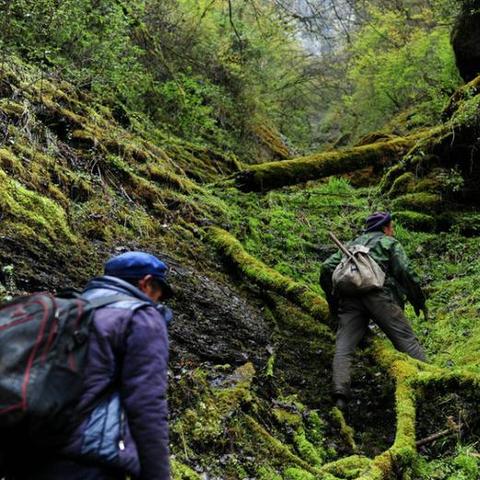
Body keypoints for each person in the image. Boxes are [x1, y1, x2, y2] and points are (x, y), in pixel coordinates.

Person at [3, 251, 173, 480]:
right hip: (87, 461)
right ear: (146, 283)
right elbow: (147, 404)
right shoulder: (141, 317)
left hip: (30, 454)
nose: (157, 300)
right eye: (159, 292)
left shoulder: (73, 308)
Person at [320, 212, 427, 410]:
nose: (392, 231)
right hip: (379, 297)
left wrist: (333, 305)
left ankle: (340, 395)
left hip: (350, 299)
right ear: (385, 228)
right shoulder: (388, 243)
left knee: (344, 347)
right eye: (391, 227)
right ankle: (430, 383)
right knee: (406, 341)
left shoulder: (353, 243)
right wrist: (418, 300)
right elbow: (405, 272)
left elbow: (327, 268)